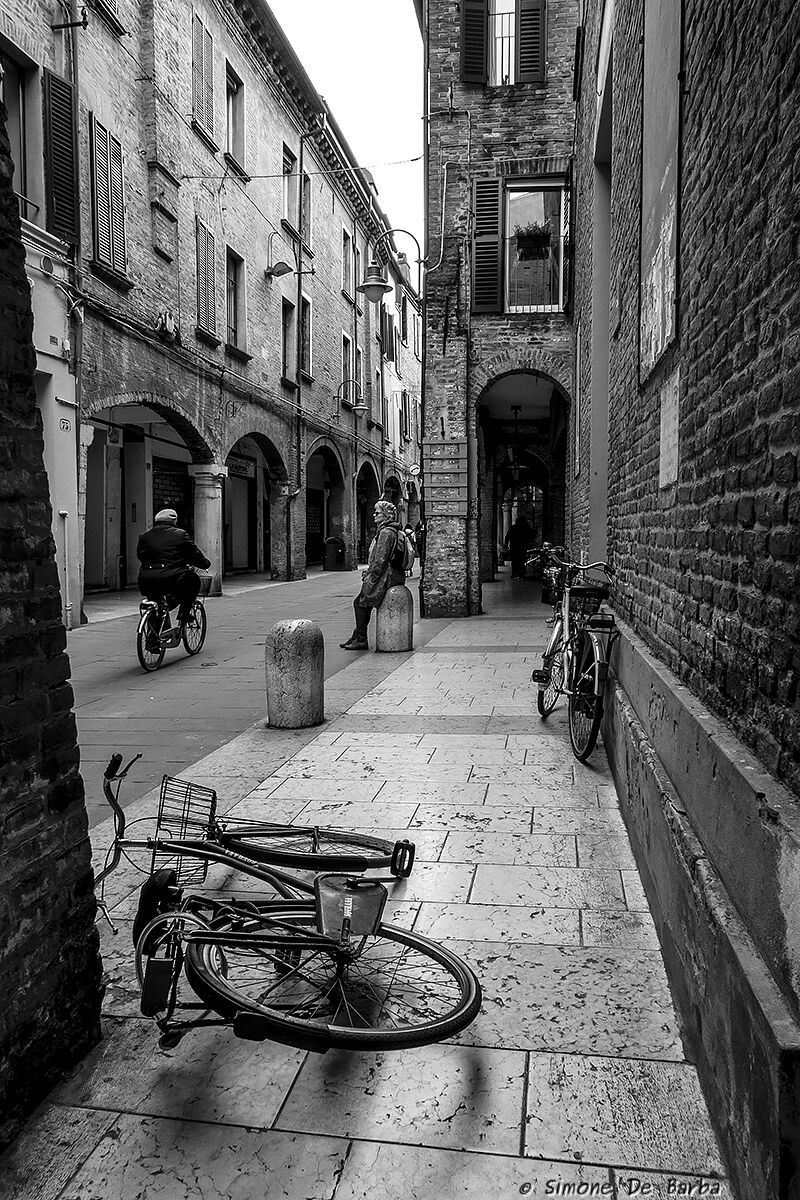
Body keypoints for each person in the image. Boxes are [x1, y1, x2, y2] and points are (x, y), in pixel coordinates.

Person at [340, 500, 405, 650]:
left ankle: (361, 639)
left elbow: (380, 559)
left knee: (361, 602)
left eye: (378, 512)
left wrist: (371, 577)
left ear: (386, 515)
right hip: (393, 573)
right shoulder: (391, 530)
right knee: (362, 602)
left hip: (386, 575)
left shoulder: (386, 532)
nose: (374, 514)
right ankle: (357, 635)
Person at [137, 509, 211, 636]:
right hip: (172, 578)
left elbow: (140, 556)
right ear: (174, 521)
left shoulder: (144, 536)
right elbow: (194, 553)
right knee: (193, 581)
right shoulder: (180, 534)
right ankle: (184, 613)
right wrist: (205, 564)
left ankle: (153, 641)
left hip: (146, 579)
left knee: (157, 603)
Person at [504, 515, 534, 580]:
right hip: (523, 547)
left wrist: (506, 545)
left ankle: (515, 573)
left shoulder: (512, 528)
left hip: (514, 547)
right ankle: (521, 573)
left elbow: (507, 537)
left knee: (515, 560)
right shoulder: (526, 528)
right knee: (522, 560)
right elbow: (532, 534)